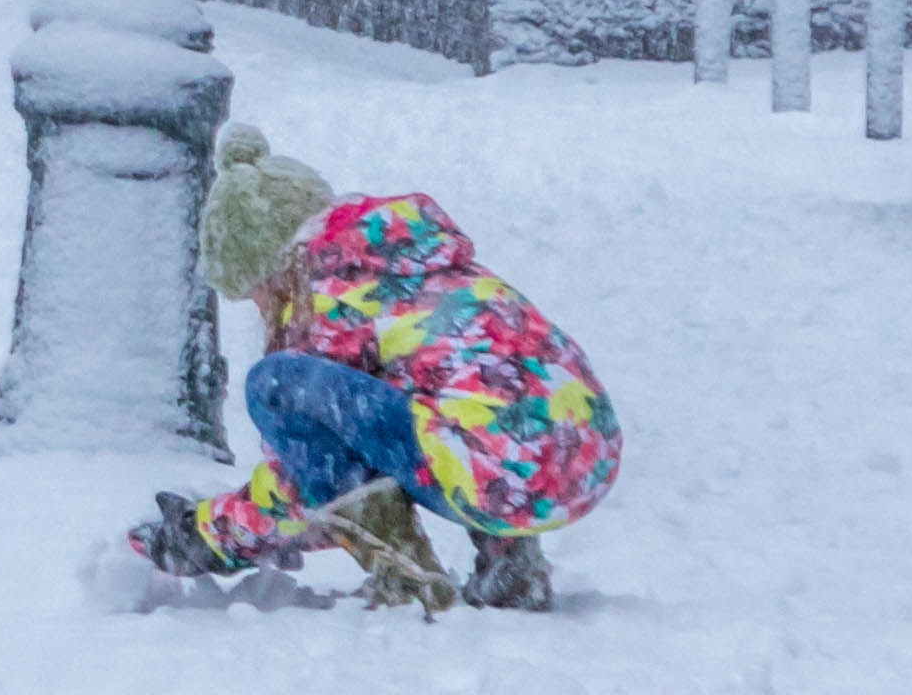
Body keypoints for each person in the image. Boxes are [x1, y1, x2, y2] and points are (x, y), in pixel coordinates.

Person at [127, 125, 618, 611]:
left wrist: (208, 536)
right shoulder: (413, 261)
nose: (260, 311)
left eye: (254, 293)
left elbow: (308, 485)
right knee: (467, 403)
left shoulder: (328, 296)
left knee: (276, 383)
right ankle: (514, 568)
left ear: (272, 268)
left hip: (499, 477)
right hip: (586, 458)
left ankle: (406, 577)